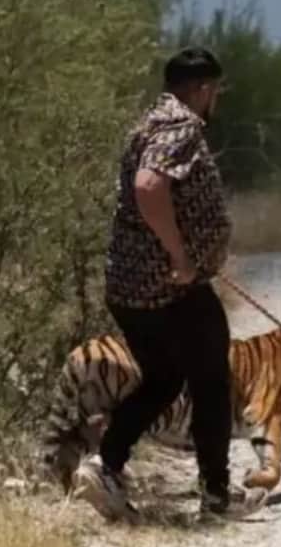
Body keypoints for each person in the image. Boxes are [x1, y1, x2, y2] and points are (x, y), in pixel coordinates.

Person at [72, 47, 268, 521]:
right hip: (169, 287)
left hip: (129, 285)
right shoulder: (180, 127)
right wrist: (180, 255)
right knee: (211, 381)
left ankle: (105, 466)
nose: (215, 100)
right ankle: (216, 495)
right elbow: (148, 186)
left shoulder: (146, 124)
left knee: (164, 377)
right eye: (215, 91)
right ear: (203, 89)